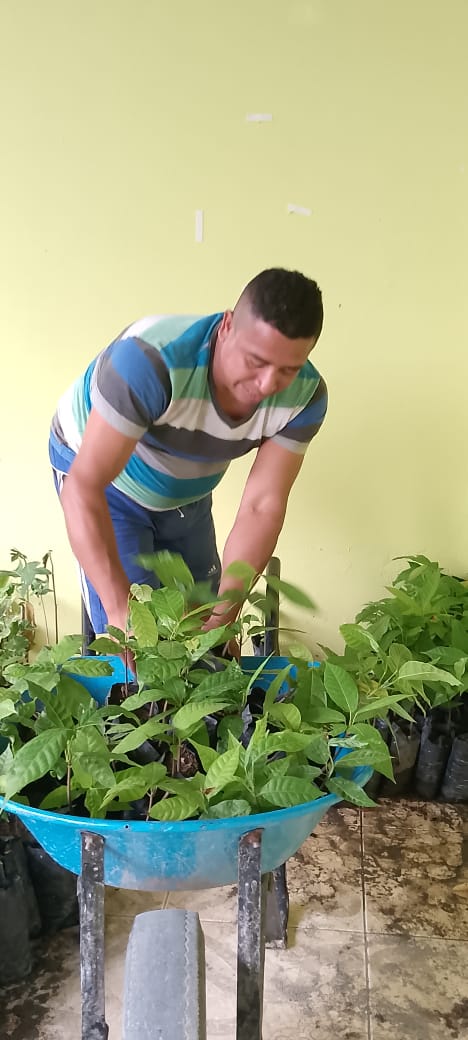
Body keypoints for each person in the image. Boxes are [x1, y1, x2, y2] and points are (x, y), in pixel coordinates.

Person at [49, 267, 328, 640]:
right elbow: (85, 487)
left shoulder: (305, 397)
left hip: (187, 490)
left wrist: (224, 621)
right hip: (109, 485)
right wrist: (119, 609)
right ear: (227, 327)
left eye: (288, 370)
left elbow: (261, 507)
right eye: (255, 361)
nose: (267, 385)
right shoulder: (150, 361)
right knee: (141, 639)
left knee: (202, 623)